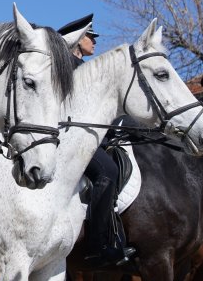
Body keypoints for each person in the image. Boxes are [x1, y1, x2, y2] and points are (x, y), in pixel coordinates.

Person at [58, 15, 133, 266]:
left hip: (92, 136)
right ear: (78, 40)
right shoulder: (68, 66)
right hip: (71, 137)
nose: (95, 42)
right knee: (108, 171)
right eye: (91, 37)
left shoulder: (84, 66)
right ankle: (97, 243)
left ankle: (114, 231)